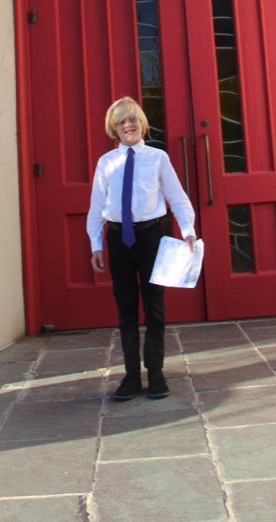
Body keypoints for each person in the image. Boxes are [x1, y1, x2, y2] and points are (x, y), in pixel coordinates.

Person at [87, 97, 196, 400]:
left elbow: (177, 197)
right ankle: (131, 376)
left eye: (133, 120)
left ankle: (156, 373)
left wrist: (187, 230)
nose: (128, 126)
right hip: (118, 239)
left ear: (142, 124)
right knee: (126, 308)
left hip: (150, 238)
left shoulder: (157, 158)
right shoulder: (107, 163)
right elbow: (96, 207)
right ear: (114, 129)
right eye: (122, 122)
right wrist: (96, 244)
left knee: (154, 308)